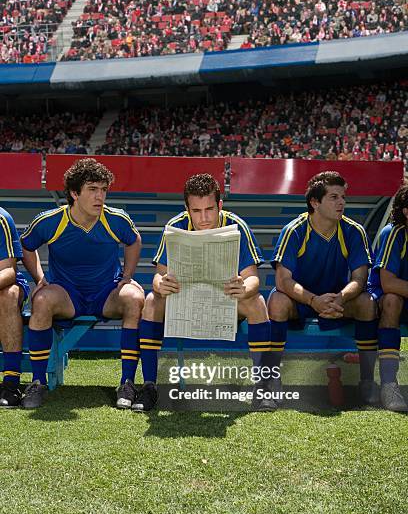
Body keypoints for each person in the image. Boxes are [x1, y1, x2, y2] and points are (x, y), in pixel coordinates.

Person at [138, 173, 271, 412]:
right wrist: (160, 284)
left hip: (226, 300)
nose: (204, 218)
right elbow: (158, 276)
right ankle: (149, 385)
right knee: (151, 301)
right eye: (196, 211)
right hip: (185, 299)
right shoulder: (174, 226)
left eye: (209, 209)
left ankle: (262, 387)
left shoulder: (236, 225)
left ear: (220, 205)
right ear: (187, 208)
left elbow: (253, 279)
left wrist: (244, 288)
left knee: (257, 303)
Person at [21, 158, 145, 409]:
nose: (100, 197)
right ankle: (37, 382)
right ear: (74, 193)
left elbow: (134, 240)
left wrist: (127, 278)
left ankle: (128, 382)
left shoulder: (116, 220)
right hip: (68, 295)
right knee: (41, 299)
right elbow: (26, 245)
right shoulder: (50, 221)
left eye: (103, 190)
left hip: (106, 292)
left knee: (134, 297)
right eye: (92, 189)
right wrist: (39, 279)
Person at [267, 171, 379, 409]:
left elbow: (360, 277)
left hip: (338, 301)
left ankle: (368, 381)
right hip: (302, 300)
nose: (342, 203)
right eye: (334, 197)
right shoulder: (294, 230)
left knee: (368, 301)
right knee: (277, 301)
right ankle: (272, 380)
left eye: (343, 197)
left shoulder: (353, 231)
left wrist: (340, 297)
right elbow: (283, 281)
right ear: (314, 202)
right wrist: (313, 300)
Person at [368, 184, 408, 411]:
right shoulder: (393, 232)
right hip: (383, 297)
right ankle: (389, 384)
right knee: (393, 300)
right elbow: (388, 283)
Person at [0, 208, 30, 408]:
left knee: (8, 295)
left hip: (4, 284)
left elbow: (8, 270)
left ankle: (11, 382)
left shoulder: (1, 217)